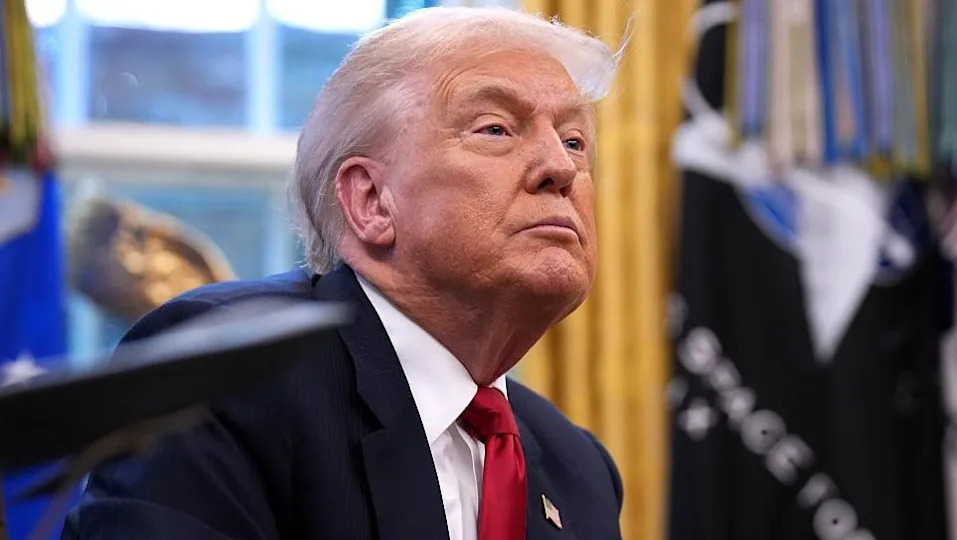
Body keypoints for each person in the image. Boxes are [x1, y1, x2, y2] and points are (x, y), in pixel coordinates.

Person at [64, 6, 623, 540]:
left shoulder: (581, 471)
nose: (561, 167)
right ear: (372, 201)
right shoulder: (222, 379)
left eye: (575, 141)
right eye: (496, 129)